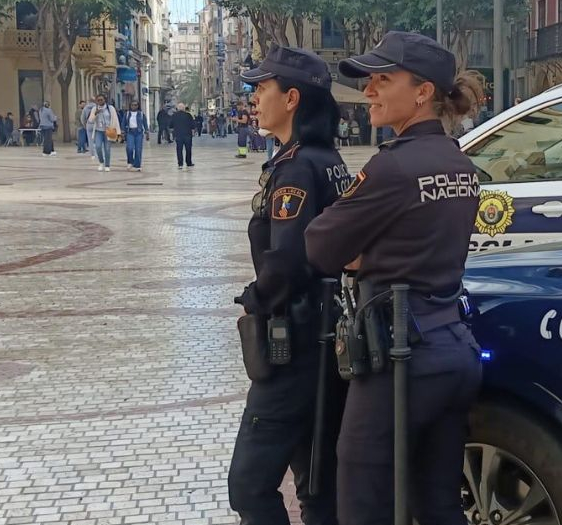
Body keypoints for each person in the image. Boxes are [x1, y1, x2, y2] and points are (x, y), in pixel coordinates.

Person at [304, 31, 485, 525]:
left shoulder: (394, 166)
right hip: (453, 347)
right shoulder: (458, 161)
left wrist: (364, 254)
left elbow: (320, 245)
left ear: (422, 91)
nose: (369, 92)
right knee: (439, 504)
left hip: (402, 357)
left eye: (383, 80)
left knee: (363, 500)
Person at [229, 46, 351, 525]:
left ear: (292, 97)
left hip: (294, 342)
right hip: (325, 335)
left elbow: (288, 260)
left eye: (262, 88)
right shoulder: (327, 158)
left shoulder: (297, 167)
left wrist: (255, 300)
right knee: (317, 483)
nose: (254, 98)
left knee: (250, 485)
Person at [87, 94, 120, 172]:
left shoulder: (110, 108)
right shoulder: (94, 109)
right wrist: (95, 114)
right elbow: (90, 120)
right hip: (99, 130)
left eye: (101, 100)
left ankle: (107, 165)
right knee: (98, 147)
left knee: (107, 149)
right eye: (98, 100)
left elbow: (115, 120)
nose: (100, 101)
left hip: (108, 130)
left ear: (105, 100)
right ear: (96, 101)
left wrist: (118, 132)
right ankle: (101, 162)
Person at [123, 101, 149, 172]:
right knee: (129, 148)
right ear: (130, 106)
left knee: (138, 149)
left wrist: (147, 132)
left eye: (135, 105)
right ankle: (130, 162)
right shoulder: (127, 114)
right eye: (132, 105)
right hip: (130, 132)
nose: (134, 106)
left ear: (138, 106)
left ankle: (138, 165)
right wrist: (123, 132)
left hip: (139, 132)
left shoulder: (141, 114)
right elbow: (123, 123)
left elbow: (145, 123)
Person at [171, 103, 196, 169]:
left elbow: (170, 125)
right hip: (187, 135)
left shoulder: (174, 115)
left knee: (179, 149)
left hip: (178, 135)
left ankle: (180, 164)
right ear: (184, 108)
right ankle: (188, 163)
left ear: (178, 108)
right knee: (188, 149)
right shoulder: (188, 115)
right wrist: (193, 132)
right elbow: (193, 125)